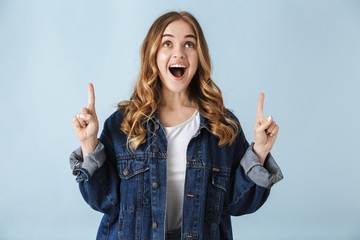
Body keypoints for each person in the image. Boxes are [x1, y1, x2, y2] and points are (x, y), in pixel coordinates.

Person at [70, 11, 283, 240]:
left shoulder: (222, 126)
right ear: (153, 54)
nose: (179, 53)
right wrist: (88, 142)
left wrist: (260, 150)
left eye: (189, 44)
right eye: (167, 43)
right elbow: (103, 200)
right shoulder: (124, 124)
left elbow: (238, 203)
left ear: (199, 56)